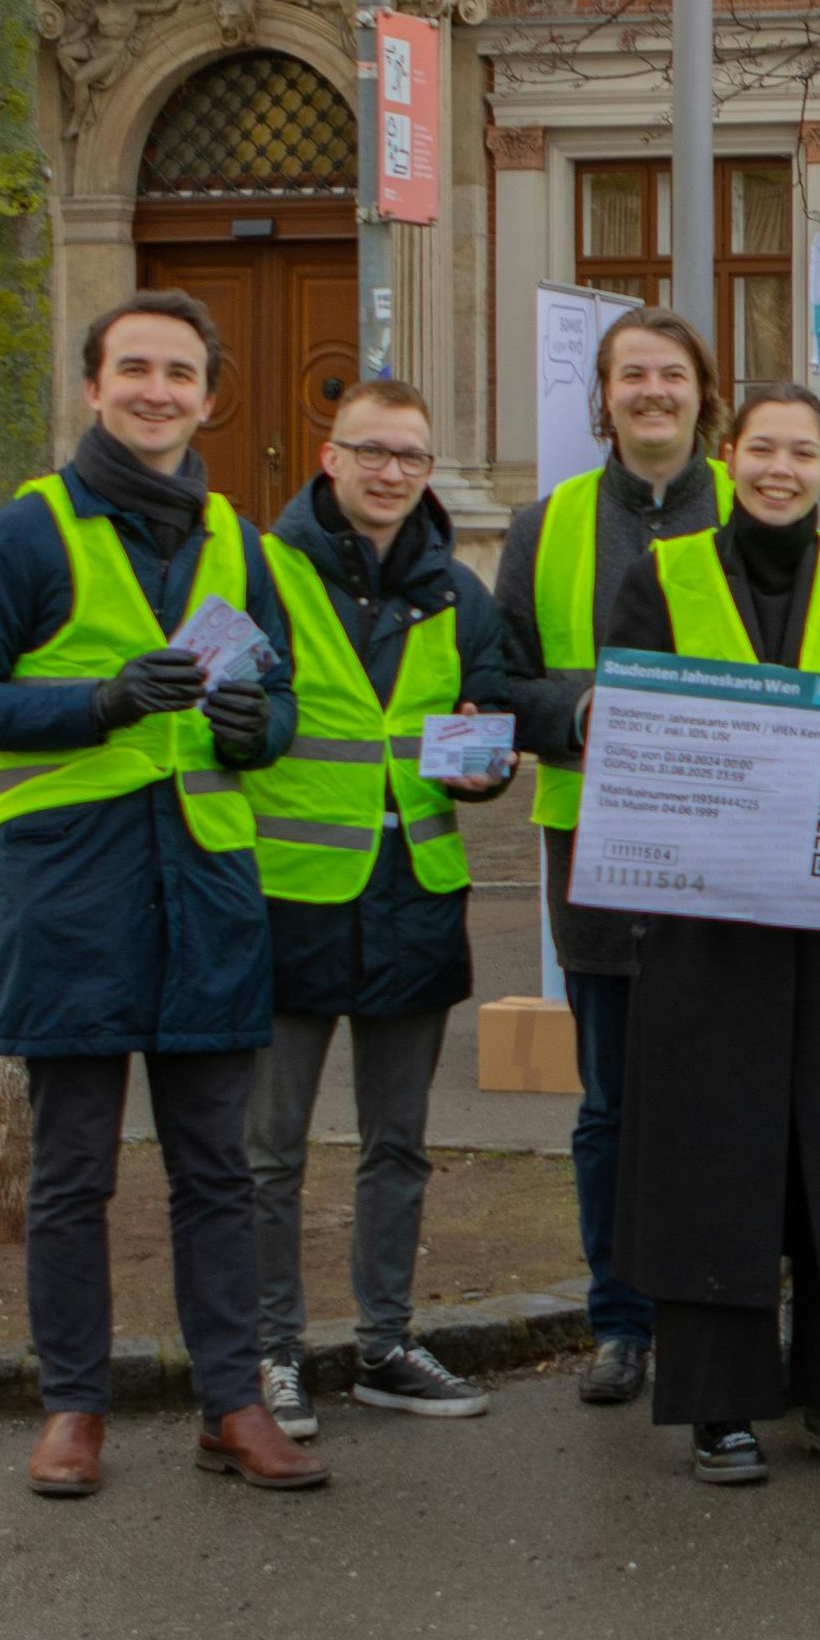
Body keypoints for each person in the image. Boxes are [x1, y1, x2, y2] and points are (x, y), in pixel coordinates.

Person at [0, 291, 315, 1498]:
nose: (157, 390)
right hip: (74, 897)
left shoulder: (241, 542)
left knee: (216, 1172)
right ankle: (73, 1409)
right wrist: (91, 704)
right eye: (134, 369)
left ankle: (231, 1405)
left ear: (208, 395)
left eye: (180, 373)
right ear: (93, 388)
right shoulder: (31, 532)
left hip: (204, 896)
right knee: (72, 1173)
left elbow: (284, 704)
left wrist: (256, 725)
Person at [603, 385, 820, 1485]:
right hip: (707, 916)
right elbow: (636, 725)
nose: (780, 470)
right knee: (715, 1153)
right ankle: (718, 1405)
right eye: (762, 449)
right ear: (727, 454)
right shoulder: (660, 575)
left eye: (802, 451)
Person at [238, 378, 522, 1439]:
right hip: (293, 895)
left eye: (410, 455)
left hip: (413, 898)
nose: (392, 472)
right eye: (372, 451)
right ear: (329, 457)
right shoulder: (262, 571)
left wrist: (482, 767)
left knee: (397, 1144)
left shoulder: (458, 588)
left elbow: (488, 718)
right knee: (269, 1149)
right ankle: (270, 1356)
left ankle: (386, 1343)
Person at [492, 306, 732, 1408]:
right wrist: (584, 712)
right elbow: (498, 690)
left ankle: (717, 1307)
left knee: (728, 1092)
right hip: (593, 848)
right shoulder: (546, 526)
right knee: (612, 1109)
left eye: (670, 375)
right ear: (604, 396)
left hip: (737, 856)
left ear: (702, 394)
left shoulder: (756, 505)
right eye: (631, 375)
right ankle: (621, 1320)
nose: (652, 393)